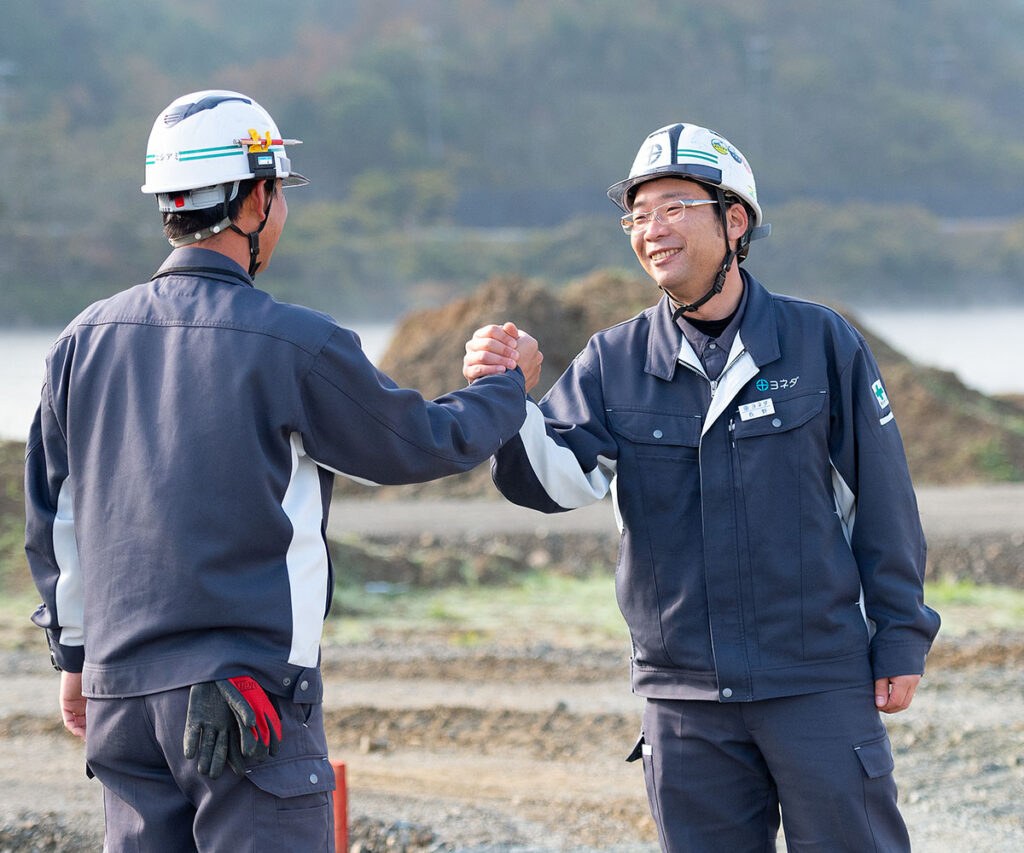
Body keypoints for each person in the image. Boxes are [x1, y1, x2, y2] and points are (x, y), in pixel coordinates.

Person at [24, 89, 541, 852]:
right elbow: (423, 443)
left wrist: (74, 658)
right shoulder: (293, 342)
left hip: (119, 697)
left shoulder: (81, 341)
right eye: (281, 193)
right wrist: (506, 386)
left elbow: (56, 520)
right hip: (243, 703)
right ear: (257, 198)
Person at [463, 122, 940, 851]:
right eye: (637, 214)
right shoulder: (613, 361)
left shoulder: (820, 343)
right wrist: (504, 398)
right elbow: (551, 484)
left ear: (735, 219)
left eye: (674, 207)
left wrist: (902, 635)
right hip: (685, 702)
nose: (651, 229)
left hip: (816, 680)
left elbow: (884, 499)